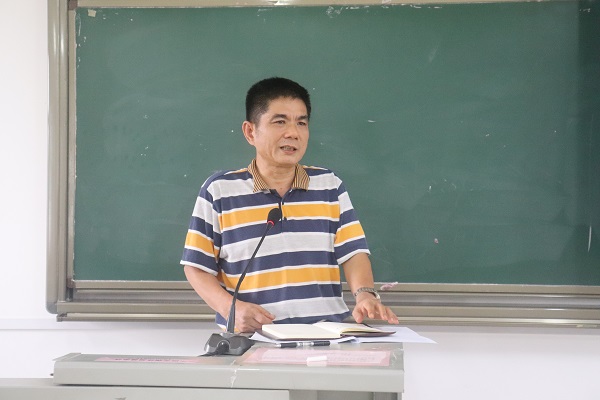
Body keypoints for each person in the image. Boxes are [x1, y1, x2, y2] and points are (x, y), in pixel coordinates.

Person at [181, 77, 398, 332]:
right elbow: (197, 267)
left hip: (327, 334)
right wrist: (231, 308)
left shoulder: (329, 186)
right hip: (254, 336)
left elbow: (353, 253)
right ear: (250, 132)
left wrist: (365, 295)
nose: (293, 133)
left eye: (301, 123)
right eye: (280, 122)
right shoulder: (220, 191)